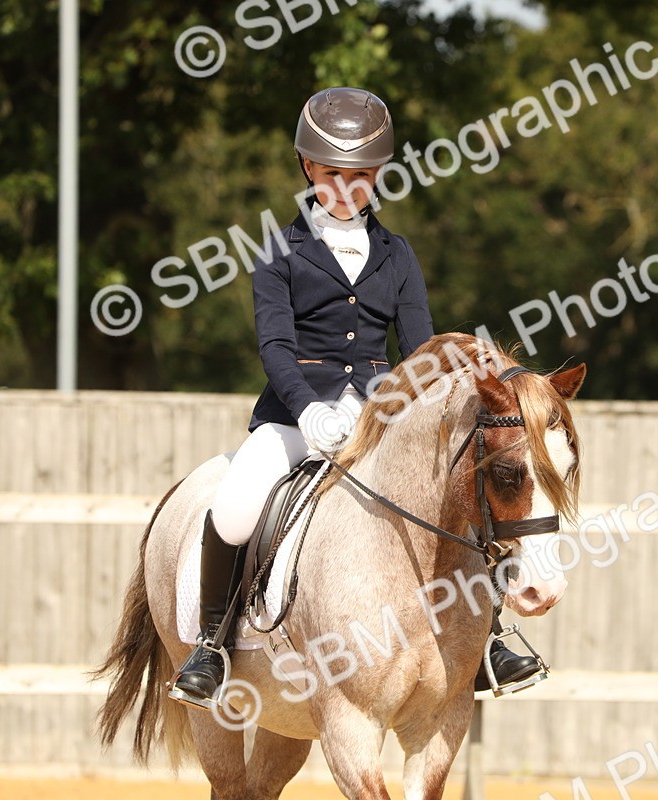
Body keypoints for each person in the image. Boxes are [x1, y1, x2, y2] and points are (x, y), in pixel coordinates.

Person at [169, 87, 543, 708]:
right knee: (234, 509)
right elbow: (275, 346)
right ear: (308, 167)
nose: (347, 188)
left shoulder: (398, 254)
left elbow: (420, 349)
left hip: (382, 417)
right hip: (296, 417)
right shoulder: (278, 249)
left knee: (461, 494)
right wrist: (308, 408)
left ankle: (490, 637)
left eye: (362, 176)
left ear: (379, 175)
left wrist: (412, 406)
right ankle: (212, 644)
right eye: (333, 174)